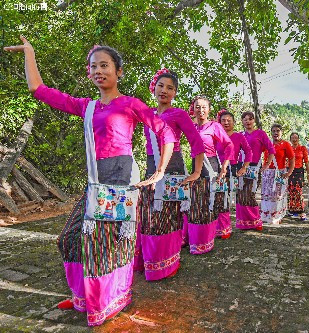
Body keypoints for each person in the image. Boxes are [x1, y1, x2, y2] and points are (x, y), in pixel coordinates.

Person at [4, 37, 176, 326]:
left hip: (120, 183)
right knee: (70, 240)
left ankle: (110, 298)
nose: (99, 70)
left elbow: (164, 131)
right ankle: (84, 296)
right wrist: (30, 53)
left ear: (118, 72)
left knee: (104, 245)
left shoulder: (131, 104)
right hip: (96, 183)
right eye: (93, 66)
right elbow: (39, 90)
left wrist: (160, 170)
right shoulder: (87, 107)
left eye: (105, 65)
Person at [134, 68, 205, 280]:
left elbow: (196, 142)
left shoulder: (179, 114)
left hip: (173, 168)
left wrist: (197, 171)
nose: (164, 90)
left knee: (167, 217)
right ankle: (147, 260)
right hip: (150, 166)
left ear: (175, 93)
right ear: (154, 88)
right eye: (161, 86)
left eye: (170, 88)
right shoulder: (147, 114)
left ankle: (166, 263)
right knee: (148, 215)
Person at [188, 96, 234, 254]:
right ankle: (196, 240)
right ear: (193, 109)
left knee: (209, 203)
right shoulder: (191, 126)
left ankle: (207, 241)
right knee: (196, 203)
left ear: (209, 110)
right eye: (197, 107)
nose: (200, 110)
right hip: (195, 166)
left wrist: (225, 167)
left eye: (204, 107)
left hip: (211, 166)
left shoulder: (214, 126)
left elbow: (228, 144)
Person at [237, 112, 276, 230]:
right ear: (242, 121)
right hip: (240, 167)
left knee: (250, 194)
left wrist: (266, 164)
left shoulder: (260, 133)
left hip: (254, 167)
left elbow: (271, 149)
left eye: (250, 119)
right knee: (241, 194)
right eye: (245, 119)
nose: (248, 122)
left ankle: (255, 220)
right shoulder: (240, 135)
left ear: (253, 121)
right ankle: (243, 222)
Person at [217, 110, 252, 238]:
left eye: (229, 120)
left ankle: (228, 227)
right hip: (216, 170)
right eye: (223, 120)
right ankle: (220, 228)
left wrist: (244, 167)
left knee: (228, 199)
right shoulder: (216, 135)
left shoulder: (238, 136)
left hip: (232, 170)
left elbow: (248, 152)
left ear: (234, 122)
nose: (226, 123)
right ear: (219, 122)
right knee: (218, 199)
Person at [262, 124, 295, 224]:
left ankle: (277, 216)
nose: (276, 133)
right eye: (273, 131)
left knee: (278, 195)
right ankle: (267, 215)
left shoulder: (285, 144)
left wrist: (289, 172)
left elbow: (292, 158)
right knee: (267, 195)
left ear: (281, 132)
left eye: (278, 131)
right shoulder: (267, 143)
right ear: (271, 132)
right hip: (268, 173)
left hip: (280, 173)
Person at [288, 132, 309, 220]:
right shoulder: (288, 148)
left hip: (299, 170)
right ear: (290, 139)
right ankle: (291, 210)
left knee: (298, 190)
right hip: (290, 171)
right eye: (293, 138)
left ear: (298, 139)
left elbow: (306, 161)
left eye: (296, 138)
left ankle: (301, 210)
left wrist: (308, 174)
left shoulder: (302, 148)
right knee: (291, 190)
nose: (294, 139)